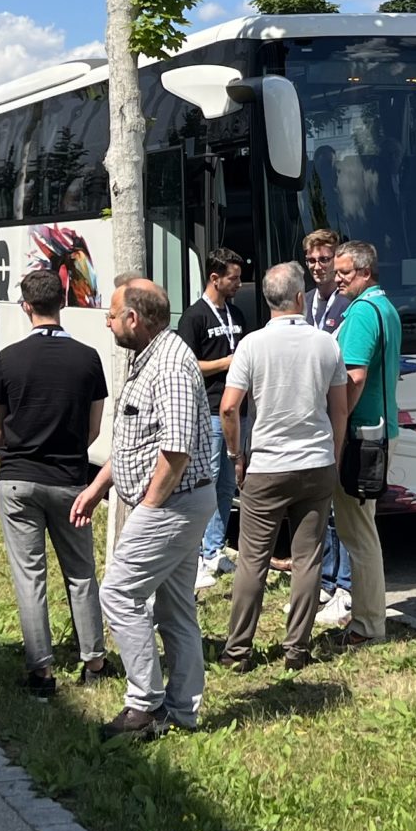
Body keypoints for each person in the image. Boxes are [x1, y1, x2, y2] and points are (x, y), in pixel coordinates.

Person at [76, 278, 215, 740]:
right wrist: (98, 488)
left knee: (117, 593)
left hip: (172, 502)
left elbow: (174, 453)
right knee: (175, 608)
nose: (108, 322)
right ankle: (183, 711)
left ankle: (145, 705)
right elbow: (137, 442)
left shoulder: (171, 365)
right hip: (173, 501)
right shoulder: (148, 358)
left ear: (133, 319)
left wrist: (148, 509)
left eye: (112, 315)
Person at [0, 267, 110, 699]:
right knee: (80, 572)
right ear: (63, 303)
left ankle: (41, 672)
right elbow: (94, 429)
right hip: (70, 479)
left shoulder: (8, 358)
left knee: (30, 576)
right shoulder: (88, 357)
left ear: (26, 306)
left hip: (18, 479)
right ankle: (94, 659)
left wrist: (11, 453)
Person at [218, 262, 349, 672]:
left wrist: (237, 455)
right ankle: (297, 648)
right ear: (299, 298)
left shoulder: (251, 345)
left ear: (265, 299)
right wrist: (335, 451)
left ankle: (238, 650)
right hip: (316, 462)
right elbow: (339, 409)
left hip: (267, 465)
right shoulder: (326, 344)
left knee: (253, 559)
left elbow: (228, 407)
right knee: (308, 558)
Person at [332, 239, 401, 648]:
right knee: (364, 530)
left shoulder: (360, 312)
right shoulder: (386, 308)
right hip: (379, 429)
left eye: (344, 272)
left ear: (365, 272)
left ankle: (367, 625)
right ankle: (368, 619)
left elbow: (353, 378)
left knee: (358, 534)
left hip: (359, 434)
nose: (336, 278)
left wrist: (336, 429)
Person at [181, 248, 248, 592]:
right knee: (205, 480)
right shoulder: (194, 317)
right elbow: (189, 364)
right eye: (233, 277)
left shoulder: (237, 313)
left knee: (227, 483)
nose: (238, 283)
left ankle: (215, 549)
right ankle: (196, 556)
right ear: (214, 278)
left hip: (237, 410)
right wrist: (227, 363)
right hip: (209, 409)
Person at [302, 226, 355, 626]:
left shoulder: (347, 303)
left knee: (342, 505)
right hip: (312, 411)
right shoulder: (305, 303)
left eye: (325, 260)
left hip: (338, 411)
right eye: (313, 261)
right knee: (322, 504)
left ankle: (346, 588)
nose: (319, 267)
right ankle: (326, 577)